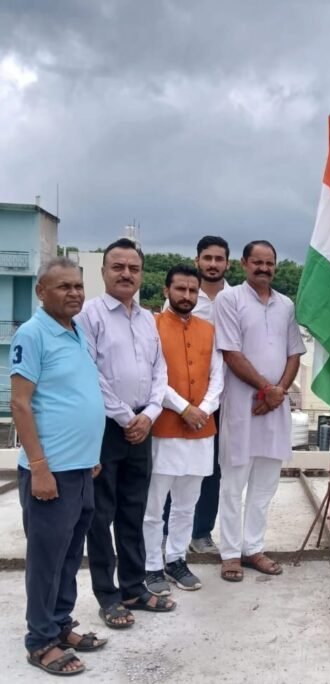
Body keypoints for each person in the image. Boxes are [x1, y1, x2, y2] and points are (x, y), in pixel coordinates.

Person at [10, 258, 107, 676]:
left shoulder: (76, 330)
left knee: (69, 555)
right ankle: (40, 641)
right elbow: (20, 403)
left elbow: (76, 395)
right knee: (47, 560)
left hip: (81, 469)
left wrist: (91, 455)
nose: (74, 293)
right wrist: (39, 466)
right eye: (64, 286)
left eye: (78, 286)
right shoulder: (32, 334)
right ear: (41, 292)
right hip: (50, 471)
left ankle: (60, 623)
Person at [77, 238, 173, 628]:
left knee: (134, 511)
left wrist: (149, 414)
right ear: (103, 272)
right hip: (104, 428)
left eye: (133, 268)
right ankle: (108, 595)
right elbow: (89, 372)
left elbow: (159, 371)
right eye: (118, 267)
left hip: (142, 427)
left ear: (141, 274)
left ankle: (134, 587)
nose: (126, 274)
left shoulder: (148, 318)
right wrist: (124, 417)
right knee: (101, 515)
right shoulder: (89, 315)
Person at [214, 240, 306, 581]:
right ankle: (229, 554)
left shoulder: (286, 305)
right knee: (233, 484)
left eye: (269, 263)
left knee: (265, 485)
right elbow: (230, 353)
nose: (264, 268)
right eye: (257, 262)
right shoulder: (229, 299)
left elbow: (294, 352)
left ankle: (253, 548)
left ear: (275, 267)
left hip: (275, 410)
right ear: (243, 264)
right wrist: (267, 389)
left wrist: (278, 391)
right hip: (242, 407)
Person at [143, 265, 224, 594]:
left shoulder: (209, 329)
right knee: (154, 505)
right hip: (165, 428)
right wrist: (184, 408)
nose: (187, 295)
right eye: (180, 289)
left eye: (192, 290)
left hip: (202, 430)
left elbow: (218, 376)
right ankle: (151, 565)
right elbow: (153, 377)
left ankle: (176, 559)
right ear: (167, 291)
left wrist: (204, 408)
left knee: (186, 503)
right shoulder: (152, 326)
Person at [161, 236, 231, 555]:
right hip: (178, 400)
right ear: (197, 260)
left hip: (219, 399)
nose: (213, 264)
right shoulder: (183, 297)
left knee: (211, 469)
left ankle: (201, 532)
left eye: (219, 259)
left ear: (227, 263)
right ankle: (165, 533)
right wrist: (182, 404)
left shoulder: (234, 298)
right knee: (171, 469)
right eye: (207, 258)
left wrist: (207, 404)